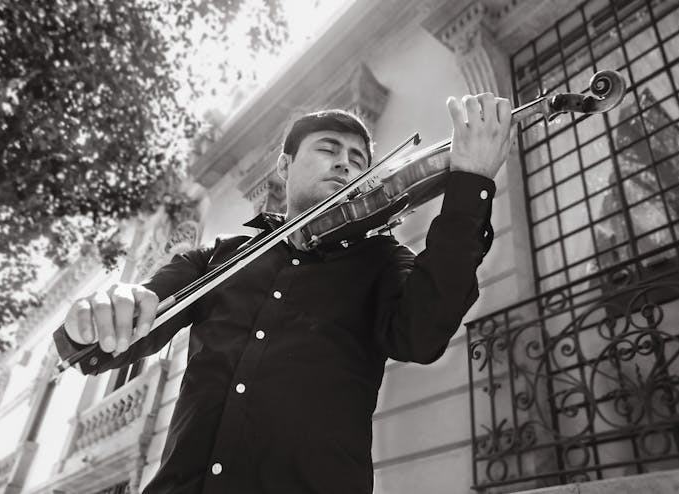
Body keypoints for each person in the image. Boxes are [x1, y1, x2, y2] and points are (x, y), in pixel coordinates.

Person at [53, 92, 513, 493]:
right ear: (285, 165)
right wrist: (97, 317)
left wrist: (471, 185)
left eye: (357, 158)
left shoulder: (381, 259)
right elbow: (117, 335)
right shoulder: (217, 258)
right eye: (328, 149)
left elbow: (422, 335)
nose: (345, 163)